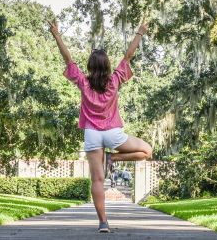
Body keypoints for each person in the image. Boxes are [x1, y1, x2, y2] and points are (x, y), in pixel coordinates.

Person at [49, 20, 153, 233]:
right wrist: (140, 32)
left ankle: (103, 222)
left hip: (92, 135)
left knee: (96, 179)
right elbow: (128, 56)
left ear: (89, 66)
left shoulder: (83, 82)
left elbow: (67, 59)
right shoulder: (115, 80)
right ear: (107, 66)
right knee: (147, 151)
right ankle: (113, 158)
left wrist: (57, 35)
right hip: (113, 135)